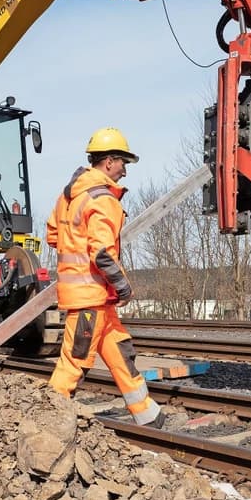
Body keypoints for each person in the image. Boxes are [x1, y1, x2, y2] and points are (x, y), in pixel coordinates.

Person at [45, 127, 164, 428]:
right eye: (123, 162)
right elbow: (102, 253)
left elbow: (52, 235)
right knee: (74, 362)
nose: (125, 171)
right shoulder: (103, 198)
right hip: (91, 296)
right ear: (108, 161)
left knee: (120, 354)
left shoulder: (69, 195)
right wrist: (122, 285)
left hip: (93, 297)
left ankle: (147, 414)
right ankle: (46, 421)